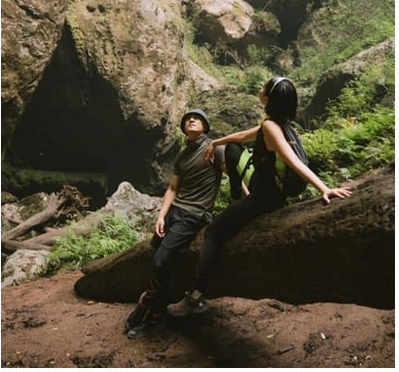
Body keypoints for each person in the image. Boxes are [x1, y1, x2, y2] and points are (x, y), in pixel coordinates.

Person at [167, 76, 353, 317]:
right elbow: (242, 136)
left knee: (213, 232)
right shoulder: (277, 124)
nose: (259, 87)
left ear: (267, 98)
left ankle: (195, 297)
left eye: (262, 87)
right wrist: (216, 144)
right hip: (260, 182)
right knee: (232, 149)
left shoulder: (271, 129)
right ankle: (238, 196)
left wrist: (324, 188)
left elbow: (293, 161)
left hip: (266, 196)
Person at [125, 108, 226, 338]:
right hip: (175, 212)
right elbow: (172, 188)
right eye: (188, 118)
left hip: (194, 215)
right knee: (160, 259)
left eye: (197, 118)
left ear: (206, 126)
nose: (191, 119)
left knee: (161, 260)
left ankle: (148, 304)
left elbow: (231, 171)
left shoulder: (214, 148)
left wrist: (249, 196)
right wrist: (161, 215)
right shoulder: (183, 154)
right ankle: (155, 314)